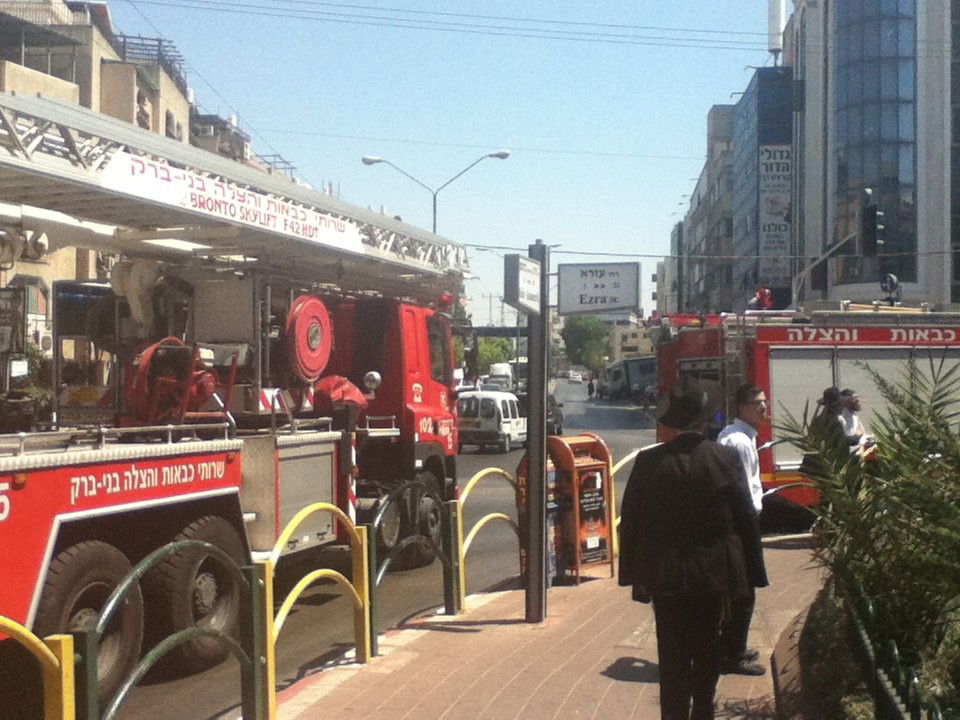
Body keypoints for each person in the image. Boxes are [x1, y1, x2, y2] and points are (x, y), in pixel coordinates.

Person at [619, 378, 768, 720]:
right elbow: (745, 517)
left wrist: (633, 577)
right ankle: (703, 710)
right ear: (704, 420)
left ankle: (673, 713)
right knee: (707, 648)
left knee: (671, 652)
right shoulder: (725, 458)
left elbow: (632, 523)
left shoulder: (648, 462)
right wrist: (753, 574)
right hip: (712, 576)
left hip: (665, 575)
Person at [715, 384, 769, 676]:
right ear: (741, 407)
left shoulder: (736, 436)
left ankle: (734, 646)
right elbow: (743, 493)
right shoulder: (740, 443)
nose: (763, 407)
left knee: (740, 590)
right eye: (757, 402)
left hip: (738, 523)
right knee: (744, 592)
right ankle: (732, 654)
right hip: (741, 524)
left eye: (764, 401)